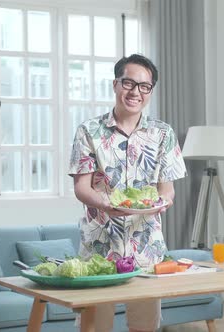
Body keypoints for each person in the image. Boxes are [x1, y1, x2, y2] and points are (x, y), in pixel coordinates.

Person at [67, 54, 187, 332]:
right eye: (128, 83)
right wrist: (107, 204)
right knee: (94, 326)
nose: (135, 92)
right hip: (99, 246)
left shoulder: (163, 134)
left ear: (150, 91)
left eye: (144, 86)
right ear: (115, 84)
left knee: (145, 326)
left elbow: (167, 191)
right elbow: (81, 188)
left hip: (147, 248)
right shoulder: (89, 131)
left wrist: (162, 203)